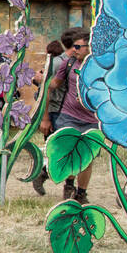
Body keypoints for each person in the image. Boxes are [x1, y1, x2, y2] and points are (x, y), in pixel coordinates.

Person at [45, 27, 96, 202]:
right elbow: (53, 85)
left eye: (78, 47)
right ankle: (68, 184)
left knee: (87, 157)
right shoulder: (68, 64)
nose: (74, 50)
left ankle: (81, 193)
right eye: (74, 46)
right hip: (69, 115)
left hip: (92, 119)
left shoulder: (100, 66)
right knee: (69, 151)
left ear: (89, 47)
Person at [30, 38, 65, 196]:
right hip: (56, 109)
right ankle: (43, 173)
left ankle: (43, 173)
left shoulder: (53, 63)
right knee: (58, 149)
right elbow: (47, 88)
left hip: (55, 109)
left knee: (56, 149)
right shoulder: (62, 62)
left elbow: (41, 85)